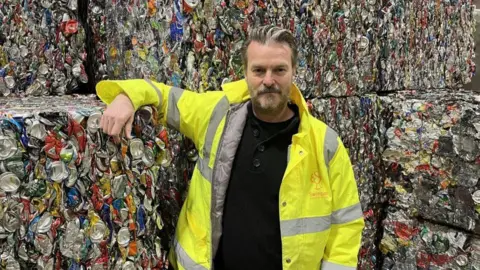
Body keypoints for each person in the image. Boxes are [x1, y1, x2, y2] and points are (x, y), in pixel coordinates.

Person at [97, 25, 364, 270]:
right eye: (259, 70)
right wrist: (126, 97)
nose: (268, 80)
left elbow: (346, 225)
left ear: (294, 72)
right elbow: (163, 96)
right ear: (245, 74)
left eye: (279, 70)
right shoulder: (216, 114)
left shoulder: (325, 144)